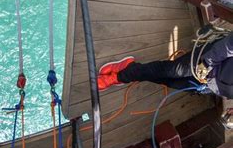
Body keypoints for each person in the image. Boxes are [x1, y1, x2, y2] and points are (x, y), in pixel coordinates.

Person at [97, 31, 233, 98]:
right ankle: (121, 76)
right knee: (170, 71)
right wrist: (206, 63)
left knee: (171, 82)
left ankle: (130, 68)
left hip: (213, 86)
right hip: (210, 60)